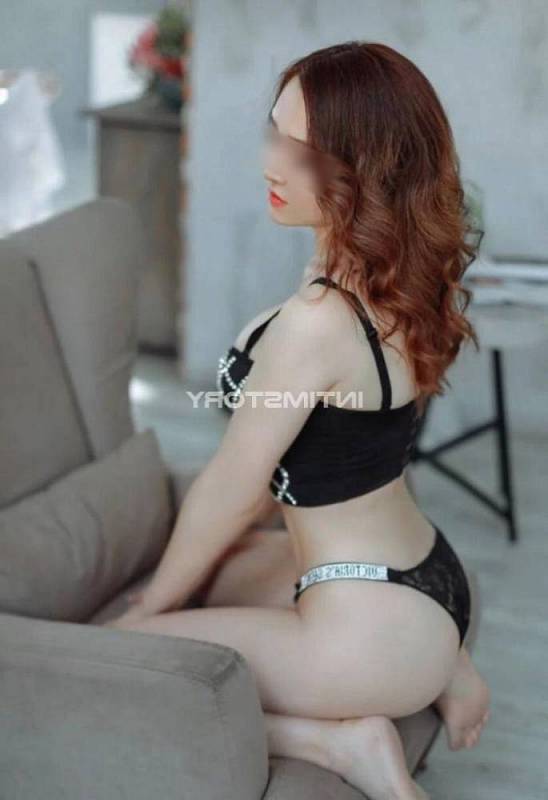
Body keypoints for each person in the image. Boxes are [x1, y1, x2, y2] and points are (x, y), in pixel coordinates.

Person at [105, 41, 490, 800]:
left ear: (367, 170)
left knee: (125, 663)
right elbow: (351, 453)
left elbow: (234, 488)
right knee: (220, 571)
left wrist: (150, 607)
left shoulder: (320, 319)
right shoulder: (388, 279)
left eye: (306, 155)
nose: (272, 165)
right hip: (422, 576)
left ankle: (342, 741)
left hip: (369, 629)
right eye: (274, 134)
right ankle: (443, 659)